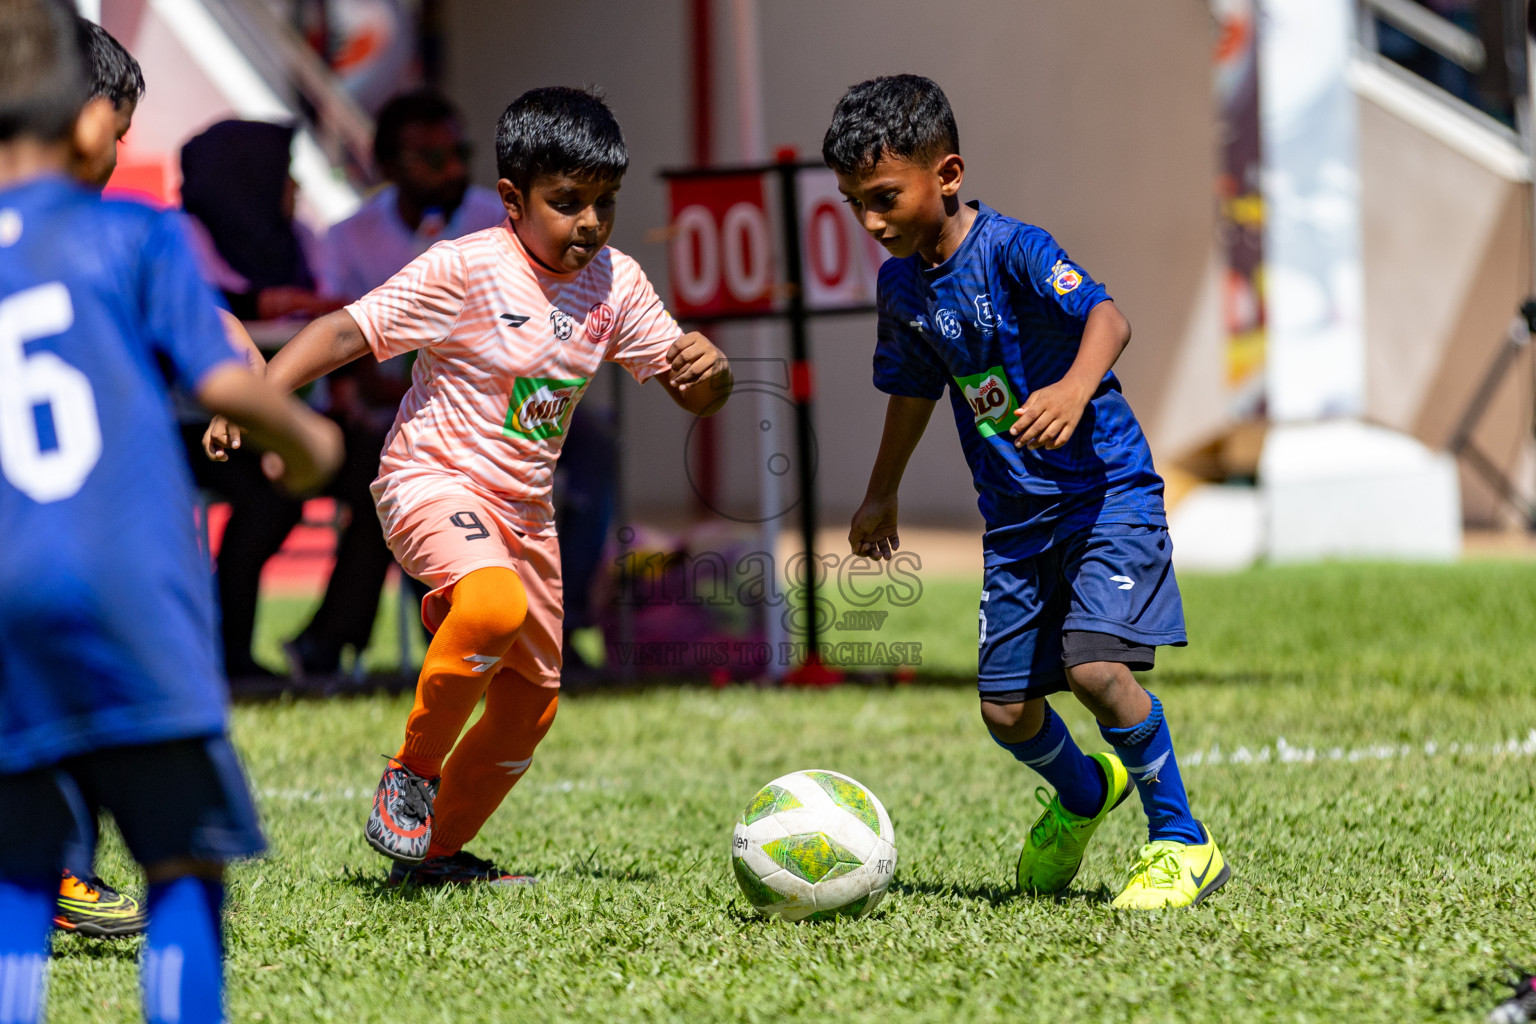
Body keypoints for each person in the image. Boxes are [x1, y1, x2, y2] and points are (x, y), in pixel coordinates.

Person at [243, 86, 732, 885]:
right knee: (492, 605)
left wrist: (711, 372)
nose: (589, 224)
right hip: (431, 480)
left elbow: (691, 388)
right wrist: (260, 397)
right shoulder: (464, 268)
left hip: (524, 515)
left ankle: (430, 855)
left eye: (604, 203)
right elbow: (342, 331)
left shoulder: (615, 283)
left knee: (527, 709)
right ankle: (410, 773)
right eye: (567, 203)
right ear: (512, 199)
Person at [0, 3, 343, 1022]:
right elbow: (228, 383)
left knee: (18, 871)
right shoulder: (131, 234)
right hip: (130, 585)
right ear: (91, 122)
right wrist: (308, 444)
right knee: (184, 858)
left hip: (11, 591)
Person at [825, 75, 1227, 910]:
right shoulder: (901, 286)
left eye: (884, 197)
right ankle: (1084, 794)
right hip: (1013, 518)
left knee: (1094, 670)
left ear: (948, 173)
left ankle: (1184, 844)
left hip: (1103, 490)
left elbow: (1107, 317)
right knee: (1006, 711)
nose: (871, 221)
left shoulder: (1015, 248)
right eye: (854, 202)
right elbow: (913, 388)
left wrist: (1076, 388)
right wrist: (881, 493)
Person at [284, 89, 507, 677]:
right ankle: (442, 641)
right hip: (392, 418)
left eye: (460, 153)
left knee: (592, 444)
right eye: (433, 159)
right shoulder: (349, 237)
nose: (454, 169)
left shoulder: (499, 219)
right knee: (384, 474)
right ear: (388, 166)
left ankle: (570, 627)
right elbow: (340, 334)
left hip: (493, 412)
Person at [178, 120, 344, 680]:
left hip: (286, 415)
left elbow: (328, 308)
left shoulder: (299, 239)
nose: (293, 186)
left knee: (383, 471)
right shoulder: (182, 234)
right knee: (268, 497)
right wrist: (270, 304)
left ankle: (325, 644)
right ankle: (230, 657)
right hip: (192, 425)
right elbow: (204, 307)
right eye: (283, 173)